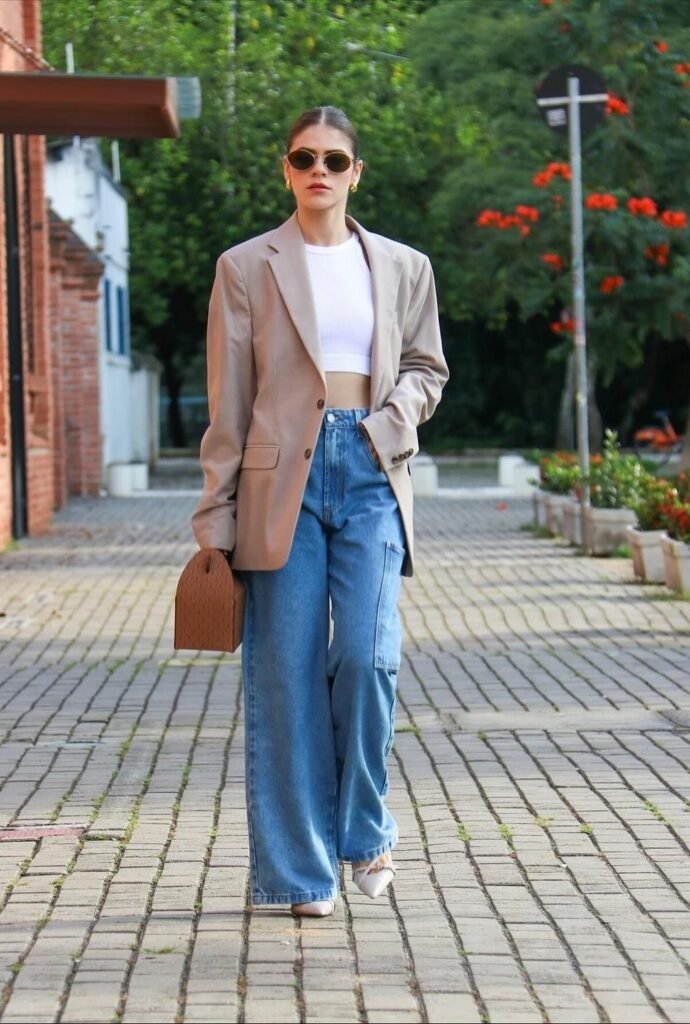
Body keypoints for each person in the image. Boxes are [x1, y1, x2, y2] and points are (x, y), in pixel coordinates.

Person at [192, 105, 448, 918]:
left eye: (334, 161)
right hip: (278, 484)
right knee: (286, 677)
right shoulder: (246, 266)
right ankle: (299, 877)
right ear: (286, 169)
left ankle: (367, 828)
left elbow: (426, 366)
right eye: (304, 157)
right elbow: (228, 402)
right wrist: (215, 520)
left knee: (368, 658)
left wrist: (388, 426)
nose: (319, 172)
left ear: (355, 174)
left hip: (371, 467)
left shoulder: (405, 266)